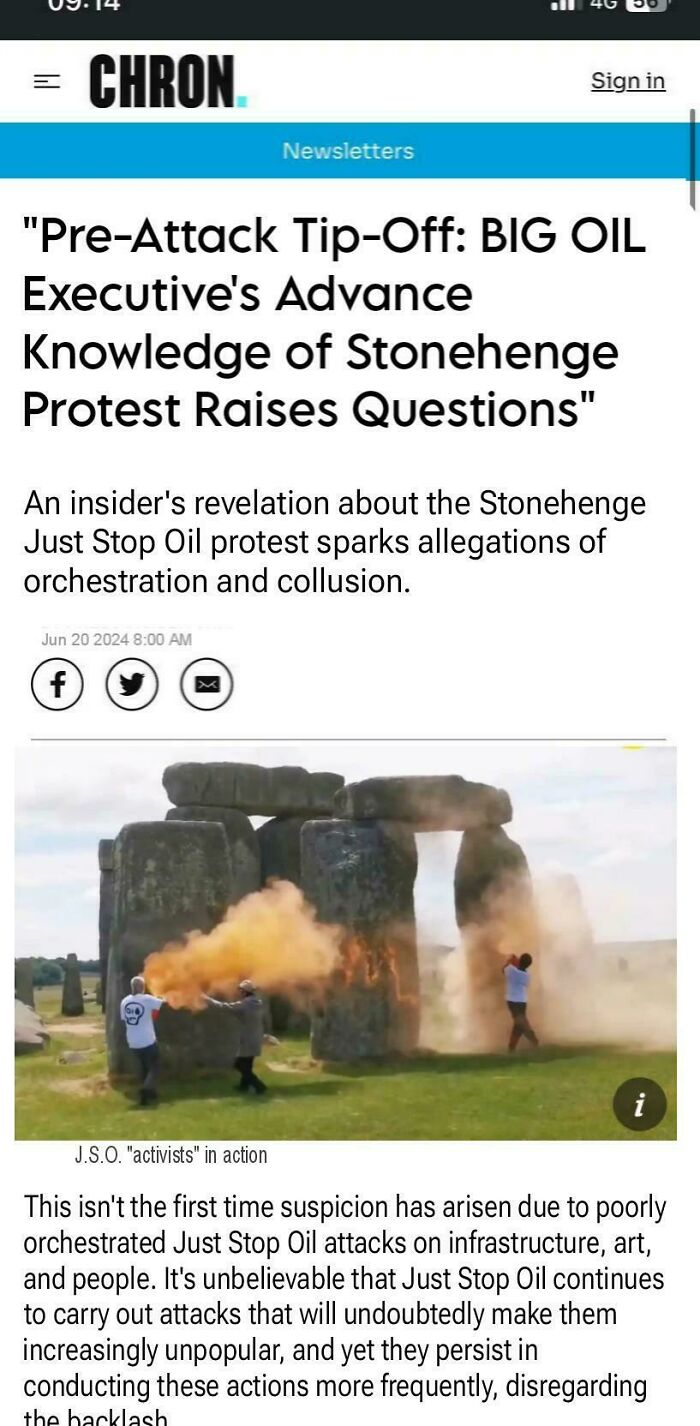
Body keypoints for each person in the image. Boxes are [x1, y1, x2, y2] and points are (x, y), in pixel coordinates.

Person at [205, 980, 266, 1095]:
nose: (239, 992)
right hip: (255, 1036)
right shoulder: (257, 1002)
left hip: (248, 1038)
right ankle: (244, 1086)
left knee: (239, 1065)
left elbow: (224, 1007)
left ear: (244, 991)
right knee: (247, 1063)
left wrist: (207, 999)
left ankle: (259, 1086)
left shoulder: (246, 1004)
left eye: (240, 990)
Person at [120, 975, 164, 1105]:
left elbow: (125, 1019)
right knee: (156, 1067)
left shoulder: (124, 1001)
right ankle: (145, 1090)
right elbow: (162, 1003)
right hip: (147, 1040)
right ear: (142, 987)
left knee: (145, 1068)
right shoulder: (147, 999)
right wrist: (161, 997)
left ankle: (150, 1094)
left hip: (133, 1042)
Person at [503, 953, 539, 1052]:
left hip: (512, 1001)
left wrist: (510, 961)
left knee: (520, 1024)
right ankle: (512, 1047)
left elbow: (503, 970)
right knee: (519, 1023)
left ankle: (533, 1040)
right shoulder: (527, 974)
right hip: (522, 1001)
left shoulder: (511, 970)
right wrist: (515, 963)